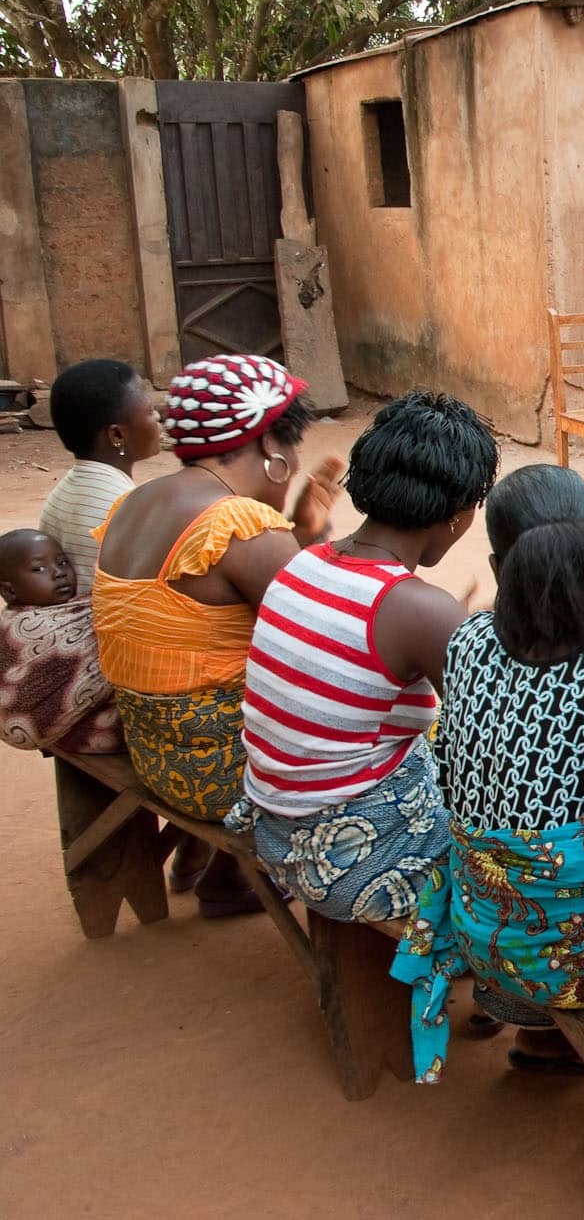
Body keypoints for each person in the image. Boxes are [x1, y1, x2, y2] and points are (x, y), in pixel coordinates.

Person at [390, 464, 584, 1082]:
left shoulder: (468, 641)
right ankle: (582, 1034)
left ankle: (539, 1038)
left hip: (483, 936)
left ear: (498, 564)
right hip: (575, 957)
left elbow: (458, 775)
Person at [228, 391, 496, 924]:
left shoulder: (301, 564)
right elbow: (489, 742)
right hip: (353, 860)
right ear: (460, 515)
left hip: (273, 826)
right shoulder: (417, 609)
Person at [92, 354, 342, 916]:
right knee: (406, 723)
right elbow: (332, 636)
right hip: (224, 778)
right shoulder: (238, 525)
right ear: (271, 447)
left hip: (154, 752)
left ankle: (213, 871)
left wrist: (300, 533)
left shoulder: (134, 502)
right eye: (290, 447)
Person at [40, 358, 165, 593]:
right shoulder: (125, 506)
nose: (158, 417)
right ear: (117, 434)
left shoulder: (65, 490)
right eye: (150, 410)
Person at [0, 530, 119, 753]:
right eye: (38, 569)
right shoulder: (26, 627)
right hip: (76, 733)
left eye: (63, 562)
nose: (58, 573)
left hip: (66, 733)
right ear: (9, 590)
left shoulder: (76, 611)